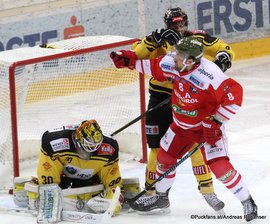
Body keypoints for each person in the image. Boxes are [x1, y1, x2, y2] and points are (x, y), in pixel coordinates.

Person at [109, 36, 258, 221]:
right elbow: (154, 67)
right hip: (180, 126)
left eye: (179, 55)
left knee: (220, 167)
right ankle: (161, 198)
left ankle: (247, 201)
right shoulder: (173, 62)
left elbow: (235, 95)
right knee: (164, 158)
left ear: (190, 61)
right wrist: (129, 60)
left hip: (206, 129)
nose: (174, 56)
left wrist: (217, 121)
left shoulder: (210, 74)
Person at [130, 7, 234, 212]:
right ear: (168, 24)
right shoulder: (157, 39)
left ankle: (208, 192)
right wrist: (153, 38)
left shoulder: (196, 39)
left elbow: (225, 48)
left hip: (189, 101)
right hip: (161, 100)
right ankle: (153, 195)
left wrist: (223, 57)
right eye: (174, 24)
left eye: (182, 23)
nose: (179, 27)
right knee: (158, 149)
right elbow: (135, 55)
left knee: (196, 147)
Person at [13, 119, 140, 217]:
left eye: (93, 148)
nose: (88, 152)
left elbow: (111, 177)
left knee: (103, 188)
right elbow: (47, 168)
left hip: (90, 177)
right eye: (87, 146)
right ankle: (28, 187)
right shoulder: (55, 142)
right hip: (63, 176)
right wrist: (49, 190)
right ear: (77, 138)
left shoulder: (109, 148)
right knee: (50, 190)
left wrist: (115, 194)